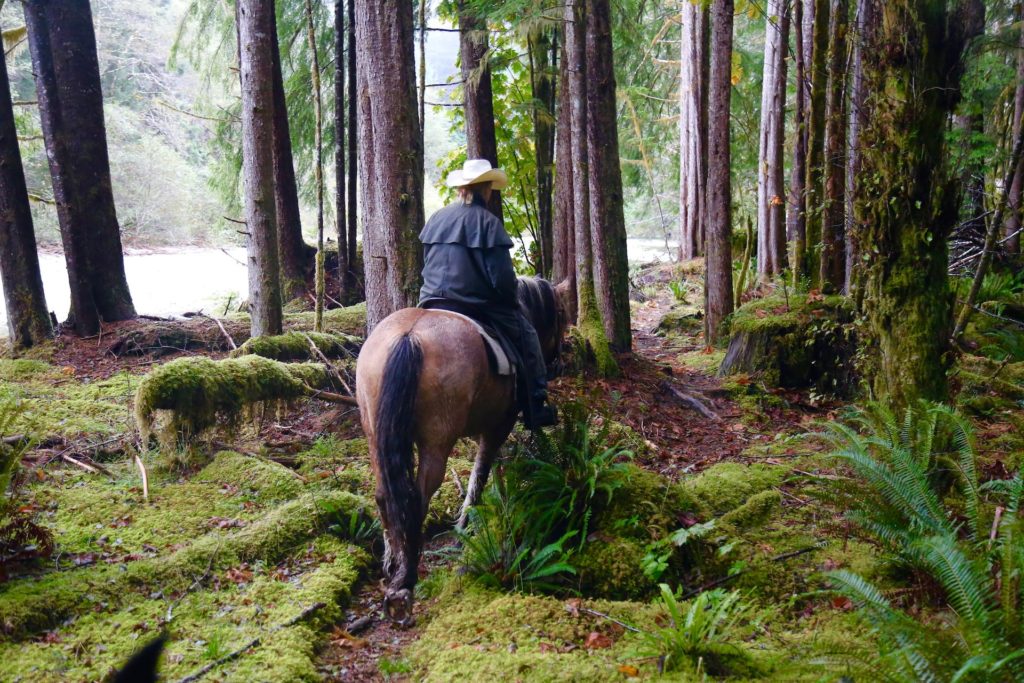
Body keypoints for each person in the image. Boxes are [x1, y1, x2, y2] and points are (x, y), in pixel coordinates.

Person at [418, 158, 557, 429]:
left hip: (430, 300)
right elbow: (502, 281)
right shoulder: (489, 224)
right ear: (487, 189)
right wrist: (511, 302)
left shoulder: (437, 218)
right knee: (528, 335)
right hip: (474, 305)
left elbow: (427, 261)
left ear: (462, 188)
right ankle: (535, 406)